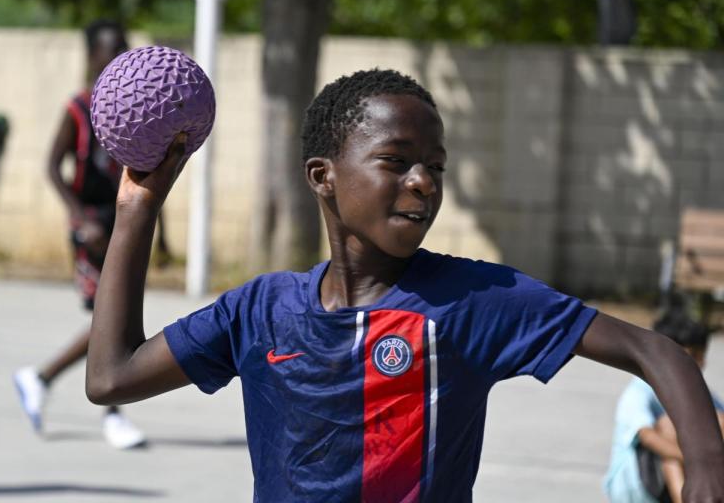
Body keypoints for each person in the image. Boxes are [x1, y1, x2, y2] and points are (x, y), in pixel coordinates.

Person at [83, 69, 724, 501]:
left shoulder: (472, 301)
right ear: (322, 176)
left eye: (435, 167)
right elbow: (111, 377)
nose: (423, 182)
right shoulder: (260, 310)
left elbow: (655, 350)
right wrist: (137, 209)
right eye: (395, 161)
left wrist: (705, 468)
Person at [14, 20, 163, 450]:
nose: (117, 56)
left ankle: (41, 379)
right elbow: (51, 167)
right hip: (93, 224)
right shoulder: (79, 108)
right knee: (110, 318)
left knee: (115, 317)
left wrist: (162, 231)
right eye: (110, 48)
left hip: (124, 220)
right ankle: (108, 411)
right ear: (92, 55)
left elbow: (149, 172)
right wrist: (80, 219)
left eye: (123, 47)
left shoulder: (137, 109)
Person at [605, 312, 724, 503]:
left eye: (701, 356)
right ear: (665, 357)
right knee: (669, 428)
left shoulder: (702, 393)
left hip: (676, 475)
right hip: (636, 483)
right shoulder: (640, 390)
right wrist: (698, 460)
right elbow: (648, 437)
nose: (698, 363)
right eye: (691, 356)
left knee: (717, 421)